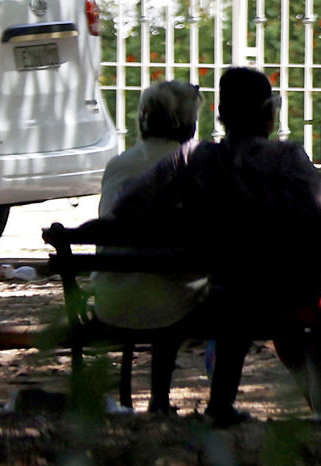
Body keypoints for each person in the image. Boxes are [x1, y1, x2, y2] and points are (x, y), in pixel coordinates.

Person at [110, 66, 321, 425]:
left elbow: (127, 203)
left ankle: (223, 403)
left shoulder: (193, 159)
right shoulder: (286, 158)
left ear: (219, 115)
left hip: (221, 294)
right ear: (269, 113)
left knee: (236, 294)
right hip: (281, 292)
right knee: (265, 293)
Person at [91, 79, 209, 414]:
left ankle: (144, 398)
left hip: (113, 300)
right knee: (174, 284)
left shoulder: (119, 165)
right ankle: (160, 398)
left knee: (156, 279)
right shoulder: (196, 164)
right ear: (188, 123)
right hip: (174, 302)